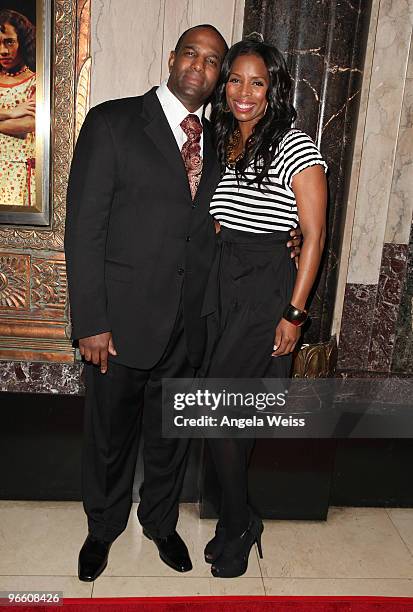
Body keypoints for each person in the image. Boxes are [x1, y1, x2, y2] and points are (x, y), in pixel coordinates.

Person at [64, 25, 302, 582]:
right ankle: (102, 528)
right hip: (119, 323)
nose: (201, 65)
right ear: (172, 59)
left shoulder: (227, 139)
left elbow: (253, 211)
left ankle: (160, 522)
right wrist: (90, 321)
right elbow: (84, 231)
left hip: (194, 322)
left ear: (220, 77)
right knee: (109, 436)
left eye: (213, 60)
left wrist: (290, 240)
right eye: (192, 54)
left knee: (171, 436)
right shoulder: (113, 122)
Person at [202, 38, 327, 578]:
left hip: (263, 289)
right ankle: (236, 521)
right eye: (235, 80)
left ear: (273, 87)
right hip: (223, 282)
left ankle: (238, 521)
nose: (243, 93)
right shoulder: (225, 138)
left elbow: (315, 236)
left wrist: (294, 314)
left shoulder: (296, 144)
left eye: (256, 82)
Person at [0, 10, 36, 207]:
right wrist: (11, 112)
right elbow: (18, 117)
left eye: (9, 42)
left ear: (23, 41)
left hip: (17, 173)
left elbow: (27, 124)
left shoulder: (35, 82)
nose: (3, 51)